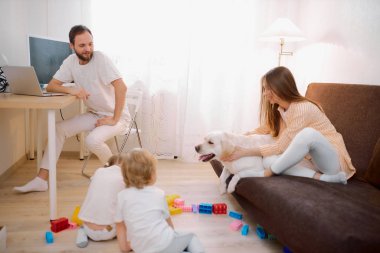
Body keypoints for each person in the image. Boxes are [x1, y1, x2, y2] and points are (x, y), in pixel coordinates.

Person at [14, 25, 130, 193]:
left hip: (118, 117)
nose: (88, 49)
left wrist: (114, 119)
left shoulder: (101, 59)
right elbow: (52, 86)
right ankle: (41, 180)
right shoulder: (70, 62)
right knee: (58, 129)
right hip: (95, 114)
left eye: (90, 44)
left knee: (92, 140)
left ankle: (118, 175)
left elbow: (122, 88)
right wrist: (72, 90)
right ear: (71, 46)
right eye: (82, 45)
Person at [223, 66, 356, 184]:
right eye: (264, 89)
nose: (265, 93)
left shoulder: (303, 109)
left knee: (308, 134)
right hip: (311, 162)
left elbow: (281, 147)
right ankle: (322, 178)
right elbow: (264, 129)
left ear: (282, 87)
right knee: (268, 161)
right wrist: (238, 138)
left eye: (269, 89)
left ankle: (266, 173)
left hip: (332, 163)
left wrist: (245, 152)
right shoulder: (281, 109)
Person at [115, 148, 204, 253]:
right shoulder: (158, 193)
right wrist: (173, 237)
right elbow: (168, 222)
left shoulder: (121, 196)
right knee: (192, 237)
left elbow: (120, 226)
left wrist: (124, 248)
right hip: (164, 244)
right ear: (151, 174)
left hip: (141, 249)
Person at [75, 154, 126, 248]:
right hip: (108, 231)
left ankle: (83, 231)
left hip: (87, 226)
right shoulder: (123, 179)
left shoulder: (99, 171)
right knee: (125, 214)